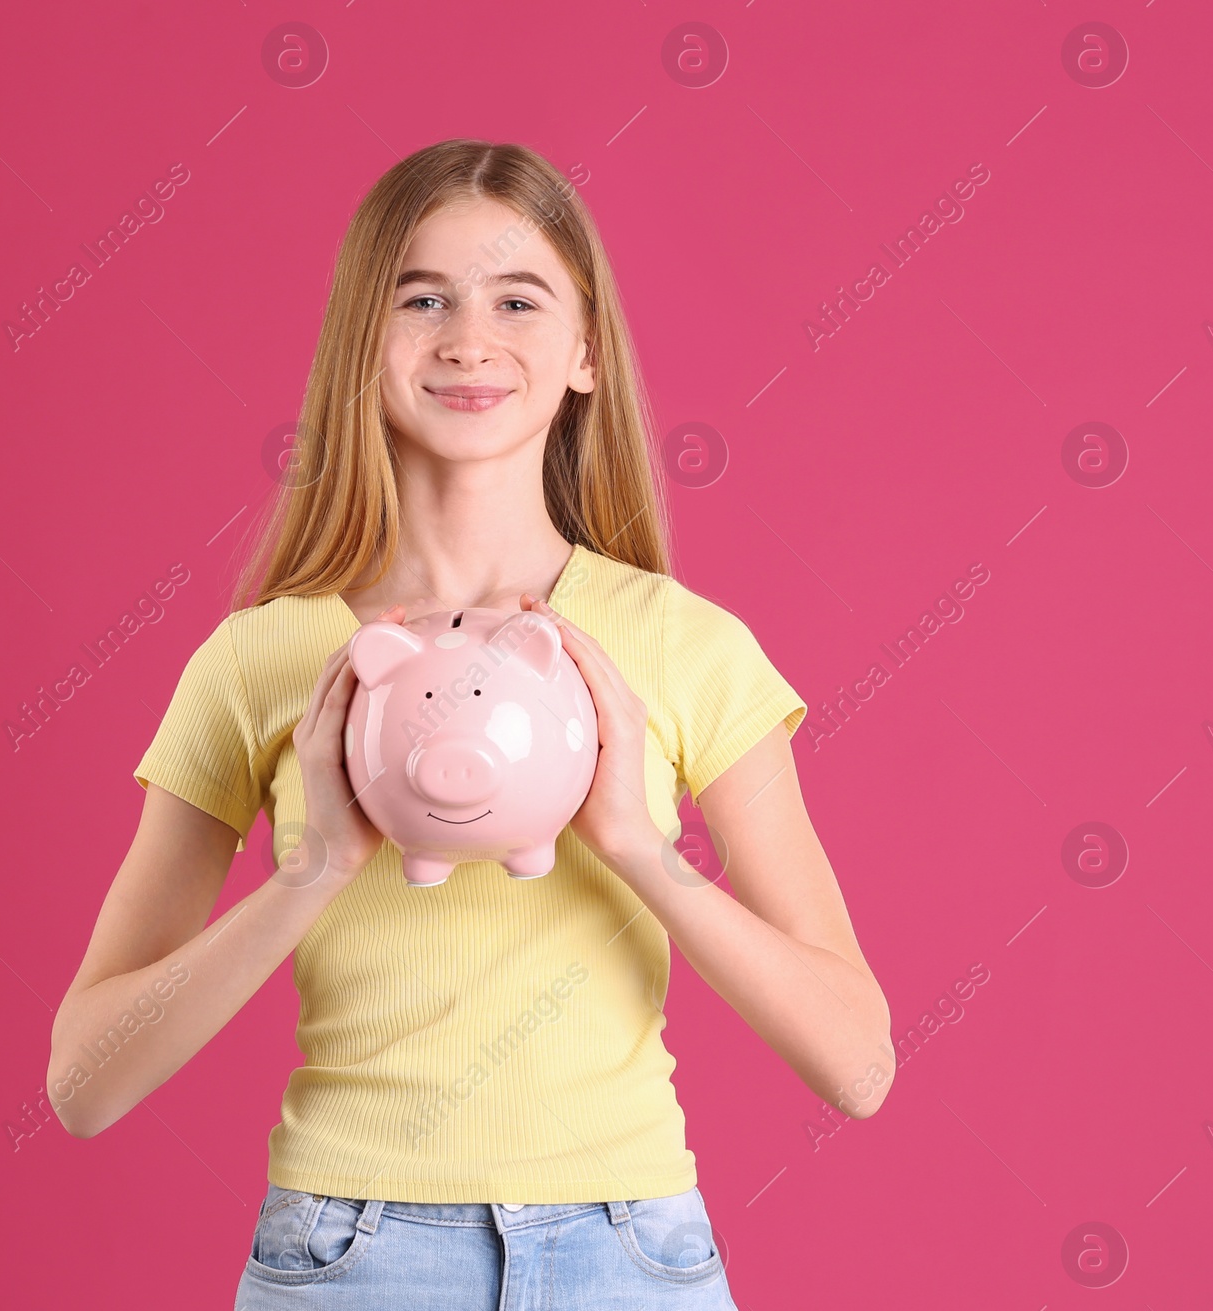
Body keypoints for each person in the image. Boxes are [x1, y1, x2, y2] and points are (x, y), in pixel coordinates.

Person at [48, 139, 894, 1309]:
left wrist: (642, 851)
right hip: (351, 1256)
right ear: (365, 341)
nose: (466, 339)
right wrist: (314, 870)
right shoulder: (261, 660)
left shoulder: (684, 644)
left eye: (517, 299)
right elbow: (84, 1082)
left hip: (629, 1254)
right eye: (423, 299)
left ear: (586, 349)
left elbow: (856, 1065)